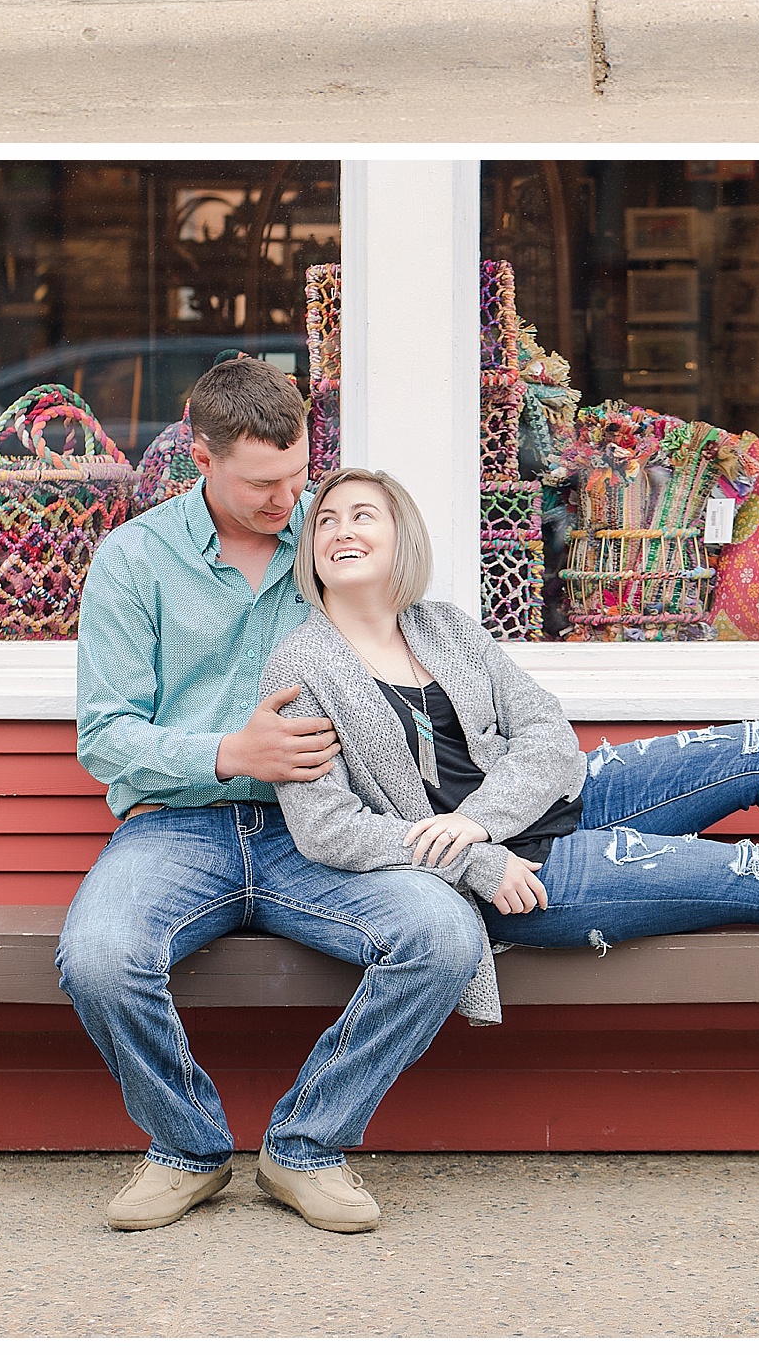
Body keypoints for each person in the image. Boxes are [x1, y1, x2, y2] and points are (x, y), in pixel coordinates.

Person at [259, 464, 759, 993]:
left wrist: (480, 814)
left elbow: (546, 731)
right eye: (326, 521)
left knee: (755, 746)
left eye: (361, 515)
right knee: (744, 872)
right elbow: (330, 828)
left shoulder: (442, 627)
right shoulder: (302, 669)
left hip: (563, 798)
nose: (341, 531)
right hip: (523, 872)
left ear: (401, 537)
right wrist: (478, 853)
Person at [59, 359, 489, 1239]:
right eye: (263, 483)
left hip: (321, 829)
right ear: (199, 452)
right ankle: (186, 1149)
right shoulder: (134, 561)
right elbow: (104, 738)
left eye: (300, 475)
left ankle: (305, 1146)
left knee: (444, 936)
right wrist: (228, 753)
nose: (287, 500)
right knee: (98, 958)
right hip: (176, 829)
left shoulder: (328, 543)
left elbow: (413, 644)